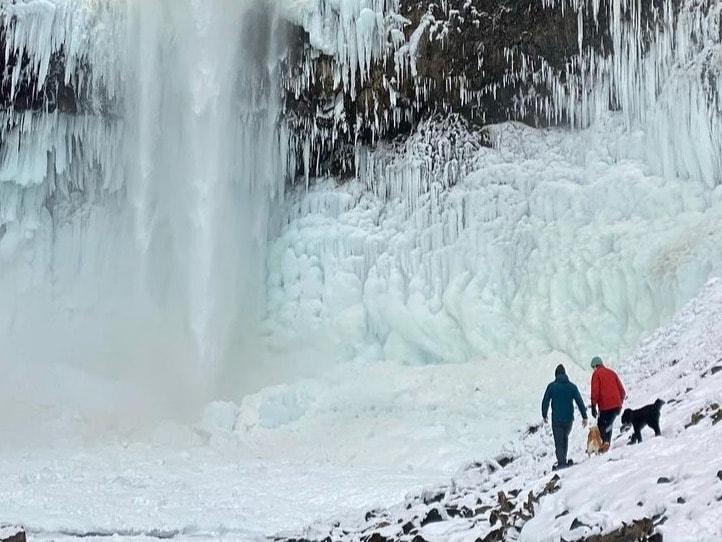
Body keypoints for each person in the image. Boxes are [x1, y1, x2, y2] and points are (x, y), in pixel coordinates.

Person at [542, 364, 588, 470]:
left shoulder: (552, 386)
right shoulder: (572, 386)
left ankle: (562, 463)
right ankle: (563, 460)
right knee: (565, 438)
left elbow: (545, 401)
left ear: (556, 374)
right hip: (568, 420)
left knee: (559, 442)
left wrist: (544, 414)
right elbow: (579, 401)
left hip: (557, 420)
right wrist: (584, 416)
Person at [590, 355, 626, 452]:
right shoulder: (612, 373)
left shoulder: (596, 374)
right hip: (617, 405)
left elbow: (595, 391)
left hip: (605, 406)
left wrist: (593, 405)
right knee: (609, 424)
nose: (593, 370)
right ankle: (606, 444)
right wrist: (620, 403)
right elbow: (622, 391)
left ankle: (606, 442)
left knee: (601, 424)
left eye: (593, 367)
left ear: (595, 366)